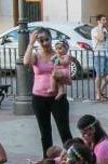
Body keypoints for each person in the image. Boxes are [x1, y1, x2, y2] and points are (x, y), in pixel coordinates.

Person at [24, 28, 73, 157]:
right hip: (39, 98)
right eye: (41, 40)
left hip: (57, 98)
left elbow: (68, 76)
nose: (44, 43)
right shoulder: (36, 55)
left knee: (64, 131)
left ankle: (73, 158)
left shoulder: (58, 54)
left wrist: (60, 75)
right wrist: (30, 43)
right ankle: (48, 161)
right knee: (45, 132)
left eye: (47, 39)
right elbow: (25, 62)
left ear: (51, 39)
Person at [91, 15, 108, 102]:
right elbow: (100, 39)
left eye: (105, 20)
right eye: (103, 20)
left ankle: (100, 90)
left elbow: (106, 42)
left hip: (105, 53)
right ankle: (98, 93)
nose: (105, 21)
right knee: (99, 75)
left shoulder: (105, 30)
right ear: (98, 21)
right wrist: (100, 27)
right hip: (98, 54)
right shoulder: (94, 30)